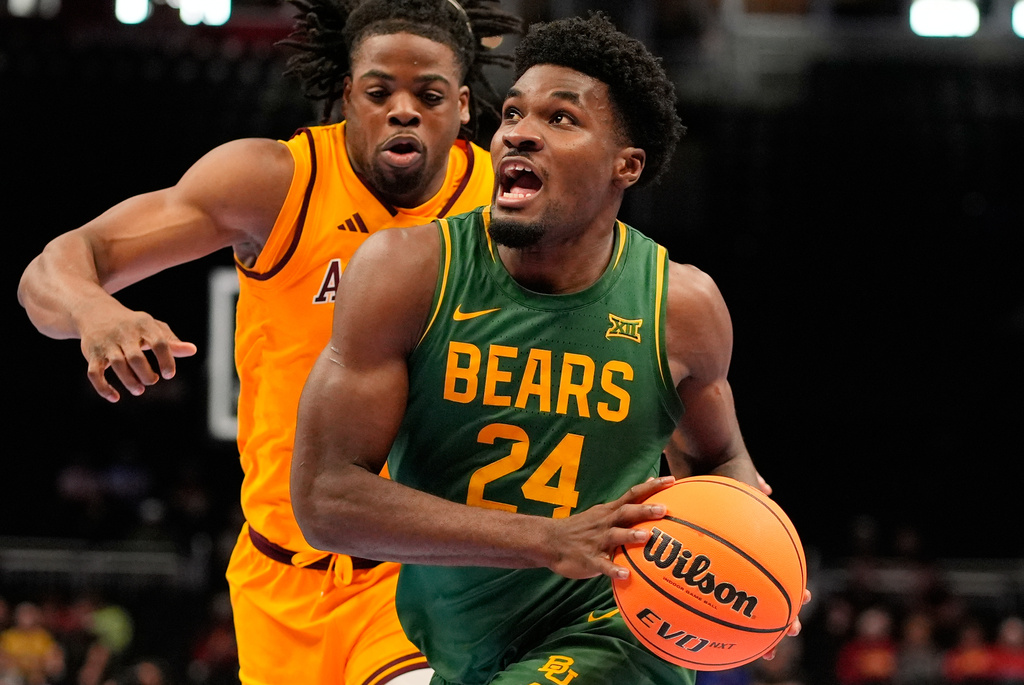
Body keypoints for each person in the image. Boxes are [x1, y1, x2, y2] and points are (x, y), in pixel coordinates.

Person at [292, 13, 805, 685]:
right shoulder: (407, 272)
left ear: (628, 164)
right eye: (512, 112)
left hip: (614, 630)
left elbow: (720, 457)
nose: (518, 132)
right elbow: (325, 500)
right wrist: (547, 540)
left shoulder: (680, 306)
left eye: (562, 119)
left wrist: (761, 560)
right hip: (456, 647)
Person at [16, 1, 522, 683]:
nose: (403, 110)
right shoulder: (278, 183)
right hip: (277, 577)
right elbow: (55, 267)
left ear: (462, 106)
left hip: (420, 575)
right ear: (347, 95)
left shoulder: (505, 206)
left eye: (428, 95)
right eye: (379, 92)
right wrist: (96, 312)